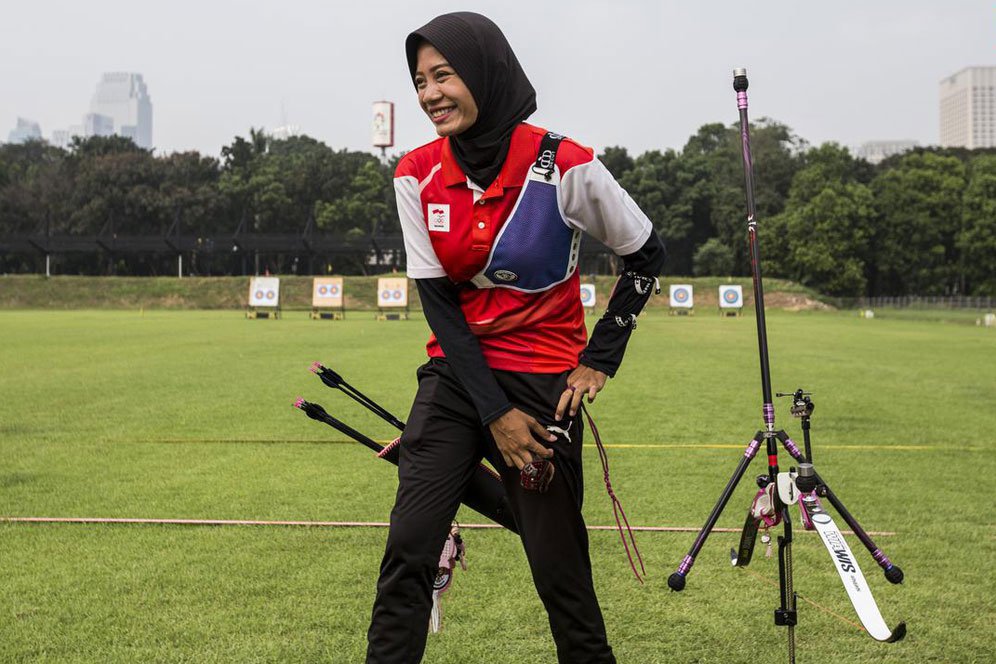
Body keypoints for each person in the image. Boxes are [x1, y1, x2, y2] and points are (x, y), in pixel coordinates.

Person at [366, 12, 666, 664]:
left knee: (558, 567)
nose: (429, 94)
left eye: (444, 75)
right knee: (410, 546)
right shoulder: (415, 172)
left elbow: (646, 253)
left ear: (484, 71)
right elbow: (439, 303)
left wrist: (599, 361)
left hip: (544, 383)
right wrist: (490, 416)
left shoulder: (568, 165)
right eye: (420, 80)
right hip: (456, 375)